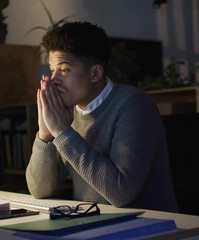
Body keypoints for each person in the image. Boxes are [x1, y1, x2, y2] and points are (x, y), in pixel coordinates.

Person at [25, 21, 178, 212]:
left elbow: (120, 193)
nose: (54, 79)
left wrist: (62, 133)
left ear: (95, 73)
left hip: (145, 226)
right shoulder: (66, 113)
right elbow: (40, 190)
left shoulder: (135, 105)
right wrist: (45, 135)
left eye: (64, 70)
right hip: (92, 222)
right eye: (51, 70)